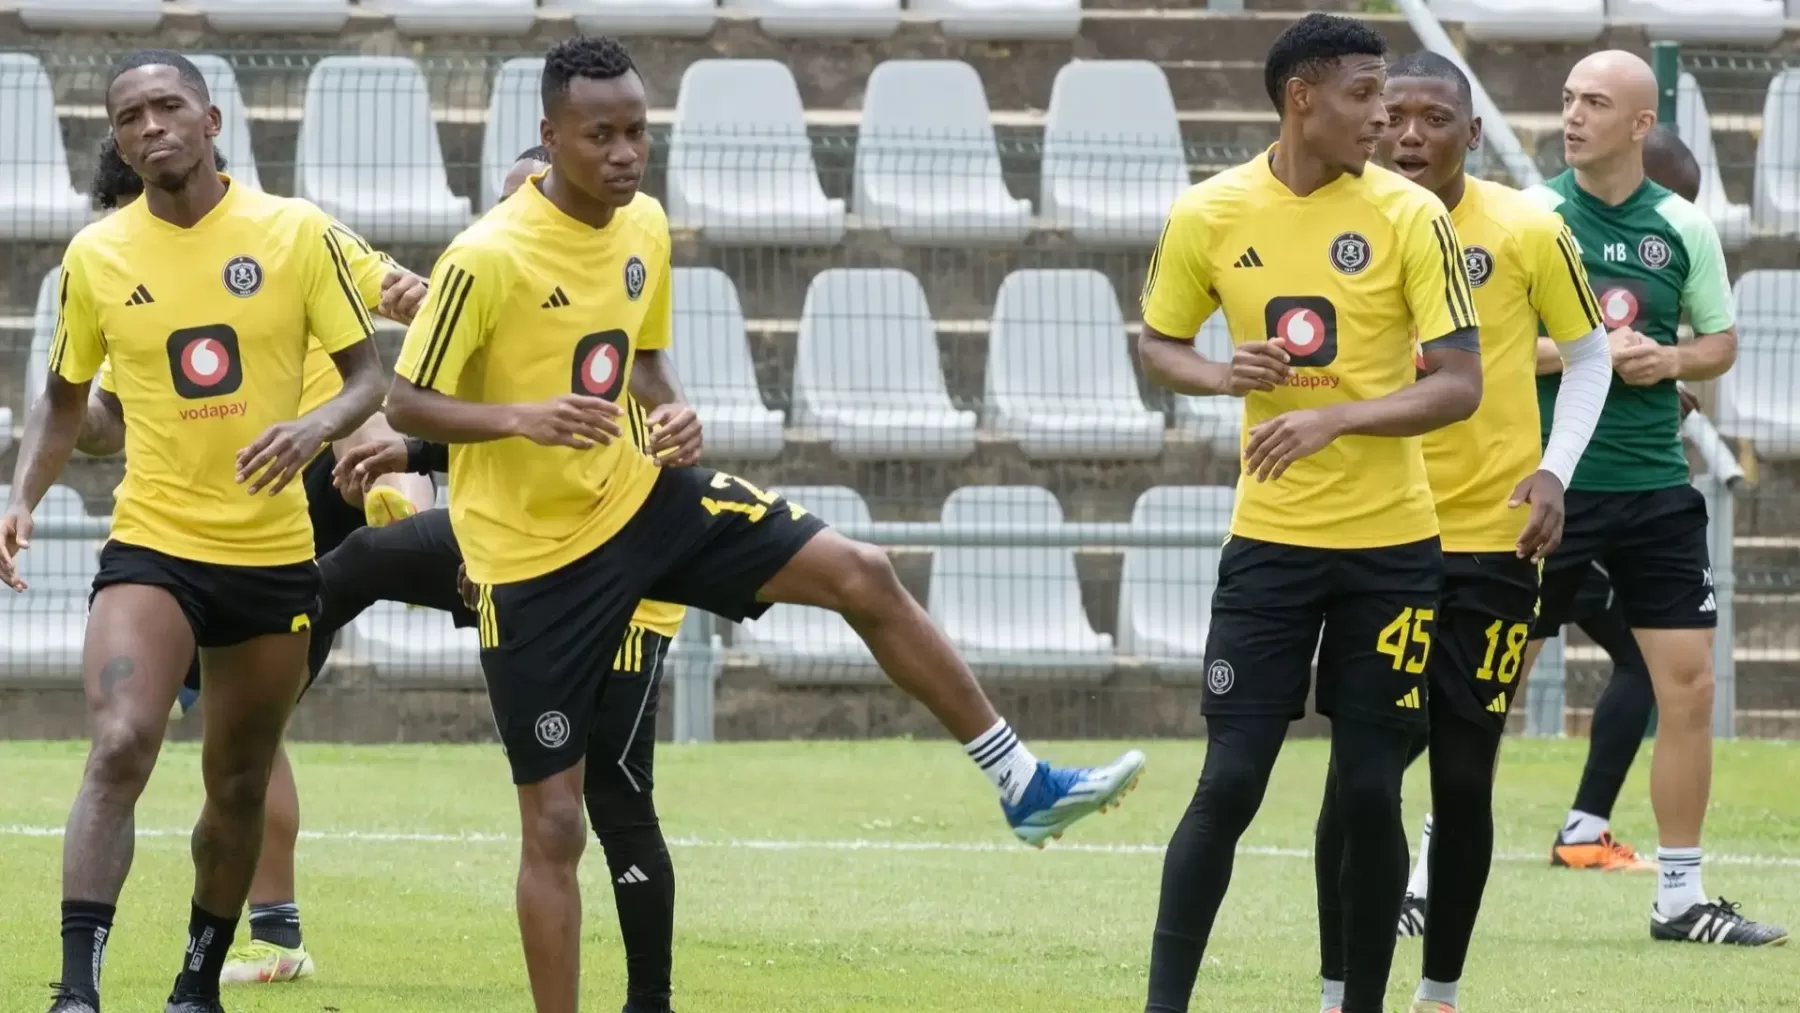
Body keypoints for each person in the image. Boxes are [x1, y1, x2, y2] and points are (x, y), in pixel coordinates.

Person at [382, 37, 1146, 1013]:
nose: (625, 153)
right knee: (558, 824)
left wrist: (674, 409)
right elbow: (408, 403)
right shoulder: (485, 257)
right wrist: (520, 417)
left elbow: (642, 358)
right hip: (533, 565)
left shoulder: (644, 224)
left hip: (639, 500)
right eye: (600, 135)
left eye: (636, 132)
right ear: (551, 135)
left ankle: (1021, 780)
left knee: (862, 571)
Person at [0, 51, 386, 1013]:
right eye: (129, 117)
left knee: (239, 781)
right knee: (120, 742)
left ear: (212, 121)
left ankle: (196, 987)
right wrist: (22, 495)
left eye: (168, 106)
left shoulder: (294, 232)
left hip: (271, 553)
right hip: (154, 543)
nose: (150, 126)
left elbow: (367, 378)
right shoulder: (96, 256)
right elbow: (65, 403)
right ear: (118, 141)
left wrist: (312, 428)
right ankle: (76, 991)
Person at [1134, 16, 1486, 1013]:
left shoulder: (1413, 216)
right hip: (1270, 546)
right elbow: (1159, 342)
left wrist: (1337, 416)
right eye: (1365, 95)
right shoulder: (1209, 211)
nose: (1386, 119)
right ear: (1302, 99)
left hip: (1393, 550)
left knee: (1372, 787)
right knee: (1230, 781)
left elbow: (1459, 382)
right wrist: (1219, 372)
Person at [71, 134, 431, 987]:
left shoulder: (286, 233)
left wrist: (415, 296)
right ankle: (273, 931)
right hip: (224, 516)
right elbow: (104, 418)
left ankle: (407, 504)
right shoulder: (123, 274)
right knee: (246, 740)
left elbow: (391, 303)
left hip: (289, 495)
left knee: (239, 740)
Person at [1309, 51, 1612, 1013]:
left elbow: (1592, 354)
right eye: (1394, 115)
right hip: (1369, 539)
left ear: (1472, 133)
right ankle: (1337, 991)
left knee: (1465, 775)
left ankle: (1438, 993)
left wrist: (1555, 470)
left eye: (1435, 119)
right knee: (1358, 783)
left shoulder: (1527, 227)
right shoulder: (1333, 223)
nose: (1410, 135)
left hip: (1491, 542)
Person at [1520, 50, 1784, 945]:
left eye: (1595, 103)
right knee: (1483, 683)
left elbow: (1719, 343)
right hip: (1549, 484)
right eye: (1567, 100)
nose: (1572, 116)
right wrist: (1589, 349)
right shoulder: (1532, 217)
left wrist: (1666, 359)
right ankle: (1429, 877)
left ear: (1641, 125)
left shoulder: (1682, 225)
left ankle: (1679, 897)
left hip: (1654, 488)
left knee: (1690, 687)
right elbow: (1486, 346)